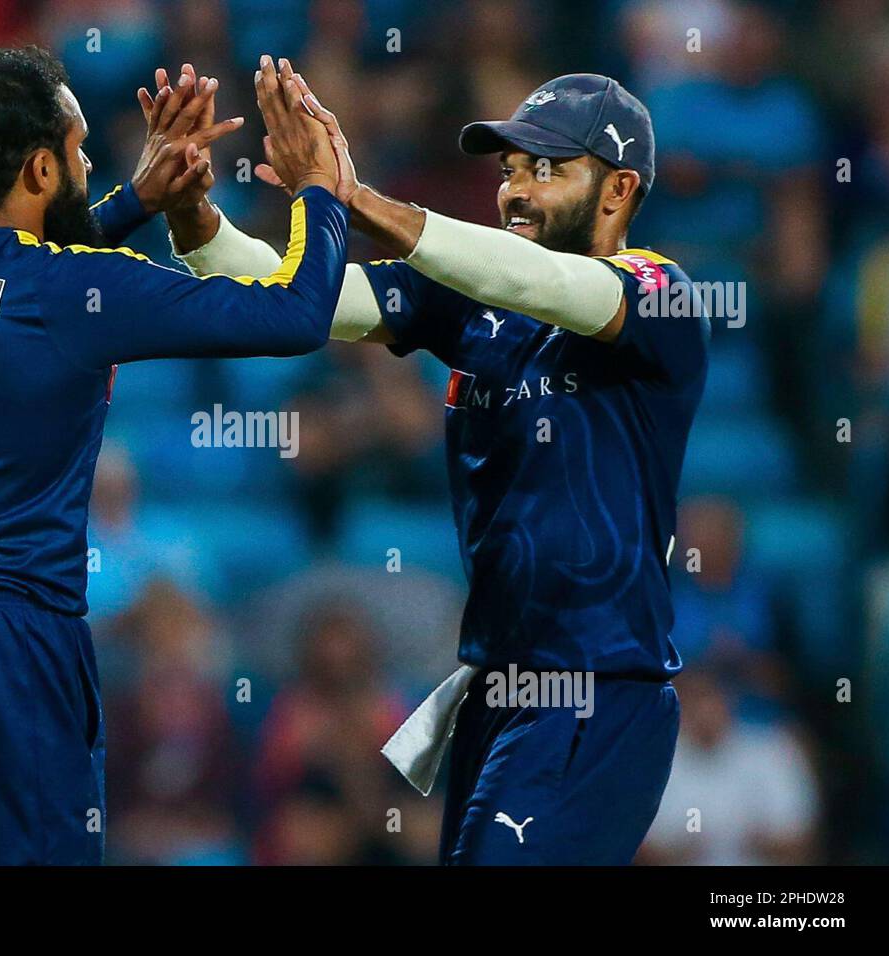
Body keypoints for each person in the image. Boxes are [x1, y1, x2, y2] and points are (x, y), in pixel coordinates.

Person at [163, 59, 709, 864]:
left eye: (548, 170)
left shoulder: (662, 294)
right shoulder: (476, 301)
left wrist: (354, 197)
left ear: (620, 190)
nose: (516, 190)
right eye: (510, 169)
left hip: (595, 694)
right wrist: (191, 217)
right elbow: (292, 297)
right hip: (495, 690)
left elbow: (541, 280)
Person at [0, 45, 347, 864]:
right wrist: (319, 187)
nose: (88, 165)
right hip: (2, 647)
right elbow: (297, 315)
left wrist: (137, 199)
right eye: (77, 152)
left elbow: (28, 276)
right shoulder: (81, 292)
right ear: (40, 169)